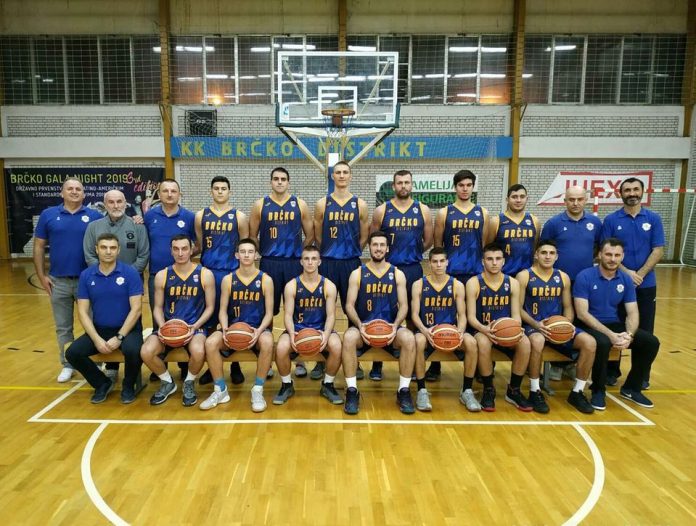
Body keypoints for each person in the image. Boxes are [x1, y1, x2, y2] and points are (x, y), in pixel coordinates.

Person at [573, 238, 660, 410]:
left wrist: (629, 335)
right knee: (603, 342)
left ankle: (632, 388)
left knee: (650, 342)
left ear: (622, 257)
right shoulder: (585, 276)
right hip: (588, 325)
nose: (612, 259)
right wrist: (611, 335)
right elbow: (582, 314)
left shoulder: (625, 279)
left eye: (617, 255)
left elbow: (632, 312)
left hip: (614, 324)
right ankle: (598, 390)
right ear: (599, 255)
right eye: (608, 254)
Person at [33, 177, 103, 382]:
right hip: (59, 282)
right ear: (61, 193)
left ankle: (95, 361)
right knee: (63, 327)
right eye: (70, 188)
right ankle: (67, 364)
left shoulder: (94, 216)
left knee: (94, 323)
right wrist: (41, 276)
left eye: (78, 189)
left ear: (84, 194)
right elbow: (38, 246)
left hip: (88, 281)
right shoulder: (48, 215)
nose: (74, 192)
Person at [516, 240, 596, 414]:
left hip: (557, 327)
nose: (547, 256)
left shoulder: (563, 277)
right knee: (537, 341)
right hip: (533, 326)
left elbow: (568, 307)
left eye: (551, 253)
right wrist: (537, 325)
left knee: (589, 342)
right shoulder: (524, 276)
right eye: (544, 253)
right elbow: (518, 308)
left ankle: (577, 392)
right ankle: (534, 391)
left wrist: (566, 324)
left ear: (557, 256)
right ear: (536, 255)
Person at [249, 167, 314, 379]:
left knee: (296, 310)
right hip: (269, 263)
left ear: (288, 182)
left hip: (294, 263)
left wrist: (299, 253)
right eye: (276, 179)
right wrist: (262, 252)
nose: (279, 182)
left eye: (283, 179)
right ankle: (266, 361)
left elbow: (310, 234)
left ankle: (299, 358)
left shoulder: (299, 204)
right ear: (271, 182)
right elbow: (252, 235)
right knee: (266, 312)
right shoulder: (260, 205)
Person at [341, 231, 416, 415]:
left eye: (382, 245)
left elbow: (404, 306)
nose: (379, 248)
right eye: (375, 245)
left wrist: (395, 326)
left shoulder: (397, 274)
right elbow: (349, 305)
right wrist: (360, 325)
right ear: (369, 247)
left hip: (390, 329)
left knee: (409, 338)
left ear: (387, 248)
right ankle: (352, 390)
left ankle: (403, 390)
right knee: (348, 338)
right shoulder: (357, 274)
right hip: (365, 329)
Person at [369, 169, 433, 381]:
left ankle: (413, 363)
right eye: (399, 183)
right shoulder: (382, 211)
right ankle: (377, 362)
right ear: (393, 186)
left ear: (411, 185)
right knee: (382, 314)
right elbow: (374, 238)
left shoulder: (422, 210)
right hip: (387, 270)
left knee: (414, 316)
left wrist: (413, 253)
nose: (403, 186)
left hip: (413, 268)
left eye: (407, 182)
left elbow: (428, 240)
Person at [600, 177, 664, 388]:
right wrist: (627, 273)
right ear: (621, 194)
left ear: (642, 192)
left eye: (636, 189)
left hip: (646, 284)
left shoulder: (653, 219)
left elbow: (658, 250)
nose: (632, 193)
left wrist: (640, 275)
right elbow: (606, 251)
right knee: (615, 325)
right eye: (627, 190)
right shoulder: (611, 220)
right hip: (616, 282)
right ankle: (611, 371)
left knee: (644, 330)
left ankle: (641, 376)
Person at [66, 234, 144, 404]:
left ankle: (128, 386)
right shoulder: (87, 275)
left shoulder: (130, 273)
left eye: (113, 248)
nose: (108, 251)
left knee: (133, 350)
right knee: (72, 353)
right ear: (97, 249)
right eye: (104, 247)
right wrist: (96, 339)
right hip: (100, 330)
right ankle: (102, 383)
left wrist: (120, 337)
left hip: (128, 330)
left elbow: (137, 309)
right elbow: (82, 312)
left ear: (118, 250)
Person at [200, 238, 275, 413]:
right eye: (243, 252)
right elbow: (222, 310)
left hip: (257, 329)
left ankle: (257, 390)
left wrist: (259, 331)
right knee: (210, 343)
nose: (246, 255)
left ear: (256, 255)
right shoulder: (228, 279)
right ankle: (220, 390)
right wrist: (225, 329)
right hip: (233, 328)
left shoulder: (266, 280)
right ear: (236, 255)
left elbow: (269, 313)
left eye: (250, 252)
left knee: (267, 342)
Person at [140, 235, 215, 406]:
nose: (180, 253)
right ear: (171, 251)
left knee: (198, 351)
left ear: (191, 250)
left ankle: (189, 382)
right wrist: (162, 326)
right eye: (176, 249)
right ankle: (167, 382)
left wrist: (195, 326)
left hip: (194, 327)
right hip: (169, 327)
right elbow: (157, 307)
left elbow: (210, 307)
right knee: (146, 351)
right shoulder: (162, 275)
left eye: (184, 249)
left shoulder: (205, 274)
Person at [83, 189, 149, 382]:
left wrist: (126, 276)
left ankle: (132, 369)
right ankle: (110, 365)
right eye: (111, 202)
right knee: (104, 320)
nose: (116, 205)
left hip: (131, 285)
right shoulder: (94, 227)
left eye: (119, 201)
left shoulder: (137, 226)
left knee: (132, 320)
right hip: (101, 284)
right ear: (105, 205)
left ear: (125, 203)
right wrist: (107, 275)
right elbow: (89, 255)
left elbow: (143, 255)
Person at [539, 185, 602, 381]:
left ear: (586, 200)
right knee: (559, 322)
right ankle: (556, 365)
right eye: (571, 199)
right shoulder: (553, 223)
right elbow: (543, 249)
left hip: (585, 283)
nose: (575, 203)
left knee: (580, 322)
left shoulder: (595, 222)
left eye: (579, 199)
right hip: (558, 283)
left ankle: (573, 364)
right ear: (565, 201)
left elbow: (598, 248)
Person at [314, 161, 369, 379]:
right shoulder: (322, 204)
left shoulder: (360, 204)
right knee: (322, 310)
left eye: (345, 172)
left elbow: (364, 235)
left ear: (350, 176)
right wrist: (329, 251)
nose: (342, 175)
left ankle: (354, 357)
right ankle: (321, 357)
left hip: (351, 263)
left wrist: (352, 251)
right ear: (332, 176)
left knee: (352, 309)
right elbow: (318, 235)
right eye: (338, 172)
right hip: (327, 262)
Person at [433, 169, 489, 382]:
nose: (465, 189)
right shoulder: (444, 213)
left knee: (476, 317)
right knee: (443, 317)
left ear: (473, 187)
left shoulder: (482, 213)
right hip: (451, 274)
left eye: (468, 185)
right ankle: (435, 364)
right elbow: (438, 245)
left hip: (475, 273)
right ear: (455, 187)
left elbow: (484, 244)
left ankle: (478, 365)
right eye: (461, 185)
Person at [195, 176, 249, 385]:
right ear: (211, 191)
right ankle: (212, 366)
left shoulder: (239, 217)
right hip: (208, 274)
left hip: (231, 274)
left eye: (223, 188)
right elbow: (201, 244)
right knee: (210, 321)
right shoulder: (201, 216)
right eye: (216, 188)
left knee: (234, 319)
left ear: (229, 192)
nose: (220, 191)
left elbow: (244, 245)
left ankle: (235, 364)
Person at [272, 245, 343, 406]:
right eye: (306, 259)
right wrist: (291, 333)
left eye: (313, 259)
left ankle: (328, 384)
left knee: (337, 346)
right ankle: (287, 385)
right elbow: (288, 315)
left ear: (319, 262)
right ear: (301, 262)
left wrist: (326, 334)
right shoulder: (292, 285)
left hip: (321, 329)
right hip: (298, 329)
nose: (310, 262)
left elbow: (331, 315)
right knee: (281, 347)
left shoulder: (328, 285)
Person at [411, 247, 480, 412]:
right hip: (428, 332)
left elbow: (462, 315)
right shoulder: (419, 284)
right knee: (417, 340)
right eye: (435, 261)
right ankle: (421, 390)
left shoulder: (457, 285)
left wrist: (460, 332)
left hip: (450, 333)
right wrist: (424, 331)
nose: (438, 265)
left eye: (442, 261)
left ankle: (467, 390)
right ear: (429, 263)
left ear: (447, 262)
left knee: (471, 342)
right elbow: (414, 314)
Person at [465, 243, 532, 412]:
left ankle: (514, 390)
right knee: (483, 342)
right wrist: (485, 329)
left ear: (504, 261)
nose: (494, 263)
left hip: (506, 329)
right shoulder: (474, 283)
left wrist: (516, 328)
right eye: (490, 259)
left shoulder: (513, 283)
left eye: (498, 259)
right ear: (483, 261)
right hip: (481, 329)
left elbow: (516, 314)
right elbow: (470, 317)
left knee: (525, 342)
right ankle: (489, 389)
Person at [143, 179, 196, 379]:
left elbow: (197, 243)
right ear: (159, 194)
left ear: (179, 194)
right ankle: (160, 364)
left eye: (174, 191)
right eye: (165, 191)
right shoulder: (149, 216)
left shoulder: (189, 217)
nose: (170, 194)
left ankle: (184, 366)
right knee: (159, 319)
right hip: (157, 275)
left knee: (182, 319)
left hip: (184, 277)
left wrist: (184, 258)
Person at [490, 184, 540, 276]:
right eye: (514, 197)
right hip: (503, 275)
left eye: (522, 197)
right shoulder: (496, 221)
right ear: (507, 200)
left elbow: (535, 247)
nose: (518, 200)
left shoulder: (534, 221)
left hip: (528, 275)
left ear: (527, 199)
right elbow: (488, 249)